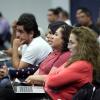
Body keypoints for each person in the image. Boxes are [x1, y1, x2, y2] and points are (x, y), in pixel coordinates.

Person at [25, 26, 100, 100]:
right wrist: (47, 79)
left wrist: (44, 79)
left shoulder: (82, 64)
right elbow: (52, 76)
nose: (68, 46)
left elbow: (52, 82)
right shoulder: (75, 60)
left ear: (83, 45)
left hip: (52, 97)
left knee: (16, 94)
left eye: (72, 43)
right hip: (48, 94)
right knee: (16, 91)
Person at [0, 23, 72, 80]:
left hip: (44, 89)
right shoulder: (54, 52)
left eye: (21, 32)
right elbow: (38, 68)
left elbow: (18, 67)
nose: (48, 36)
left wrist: (15, 47)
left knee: (5, 85)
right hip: (33, 79)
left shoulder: (63, 55)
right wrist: (11, 72)